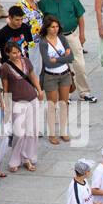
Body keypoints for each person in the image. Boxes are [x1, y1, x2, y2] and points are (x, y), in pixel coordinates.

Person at [0, 42, 43, 172]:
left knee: (32, 131)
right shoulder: (5, 68)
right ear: (8, 54)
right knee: (19, 133)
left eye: (18, 52)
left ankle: (28, 158)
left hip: (31, 98)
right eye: (14, 53)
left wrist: (39, 90)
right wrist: (6, 105)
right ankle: (14, 160)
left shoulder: (26, 61)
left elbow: (33, 77)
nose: (17, 55)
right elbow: (5, 88)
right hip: (17, 101)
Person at [37, 16, 75, 145]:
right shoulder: (43, 42)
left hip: (65, 74)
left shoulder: (62, 38)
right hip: (51, 76)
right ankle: (52, 133)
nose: (55, 29)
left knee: (64, 104)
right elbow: (48, 63)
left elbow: (71, 57)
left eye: (57, 27)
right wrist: (64, 57)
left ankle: (63, 131)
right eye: (52, 27)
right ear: (47, 28)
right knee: (52, 105)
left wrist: (58, 59)